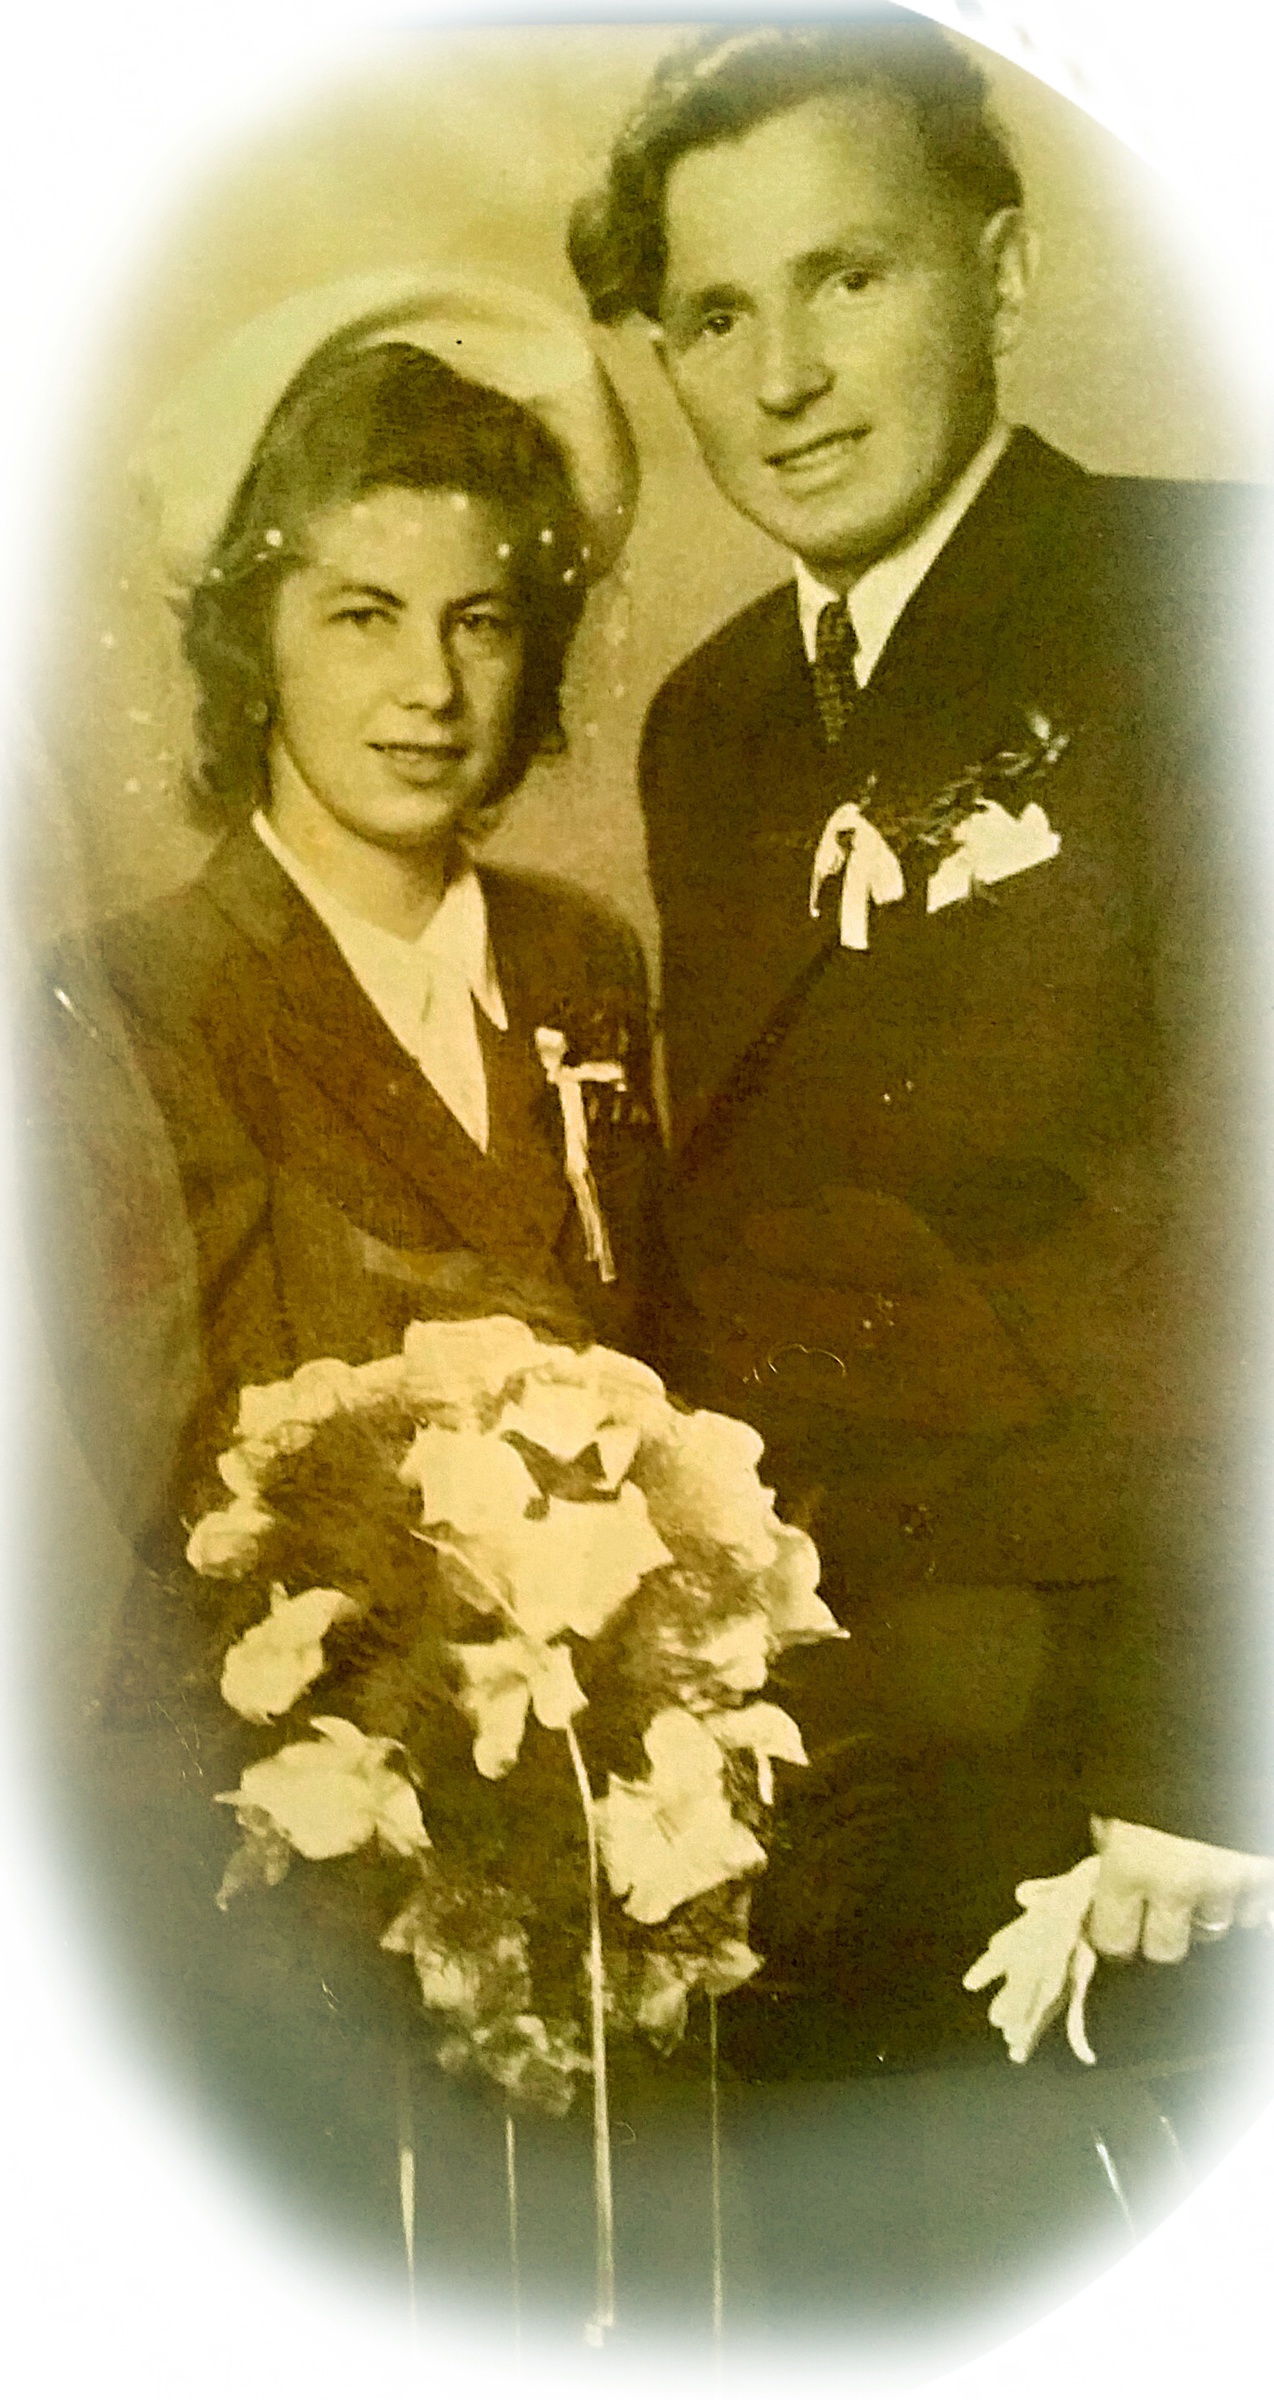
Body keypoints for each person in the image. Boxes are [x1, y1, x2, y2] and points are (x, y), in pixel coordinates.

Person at [570, 16, 1274, 2073]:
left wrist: (1207, 1767)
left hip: (1137, 1775)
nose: (783, 378)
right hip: (822, 1758)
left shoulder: (1206, 593)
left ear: (1003, 272)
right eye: (718, 315)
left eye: (847, 277)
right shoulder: (709, 720)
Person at [29, 276, 682, 2298]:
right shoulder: (127, 998)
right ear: (252, 638)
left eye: (480, 620)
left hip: (583, 1800)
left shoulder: (579, 966)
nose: (428, 687)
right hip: (277, 1820)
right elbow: (196, 1461)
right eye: (360, 615)